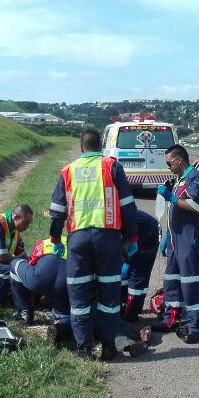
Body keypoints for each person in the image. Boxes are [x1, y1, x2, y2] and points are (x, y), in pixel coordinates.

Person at [49, 130, 139, 358]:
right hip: (108, 238)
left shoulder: (68, 170)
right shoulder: (112, 167)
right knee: (109, 296)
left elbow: (57, 211)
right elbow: (128, 206)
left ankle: (84, 349)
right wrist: (132, 239)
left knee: (79, 296)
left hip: (78, 239)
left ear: (81, 149)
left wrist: (54, 239)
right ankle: (109, 348)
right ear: (101, 146)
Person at [12, 239, 148, 357]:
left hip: (45, 276)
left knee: (15, 264)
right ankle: (65, 327)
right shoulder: (100, 261)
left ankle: (26, 312)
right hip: (70, 281)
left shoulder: (54, 245)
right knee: (85, 315)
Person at [154, 144, 199, 343]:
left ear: (179, 160)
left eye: (169, 162)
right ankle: (171, 318)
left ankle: (196, 327)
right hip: (175, 240)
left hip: (189, 240)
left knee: (191, 284)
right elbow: (173, 213)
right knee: (172, 282)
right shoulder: (179, 179)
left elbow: (195, 205)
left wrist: (173, 198)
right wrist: (167, 237)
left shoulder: (195, 178)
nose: (167, 166)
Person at [120, 209, 160, 321]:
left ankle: (132, 312)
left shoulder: (115, 220)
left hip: (148, 234)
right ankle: (122, 304)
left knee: (138, 274)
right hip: (135, 232)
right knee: (123, 273)